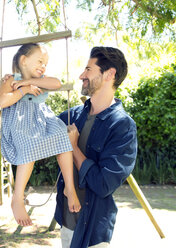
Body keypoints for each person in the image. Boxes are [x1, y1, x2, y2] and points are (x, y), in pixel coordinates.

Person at [54, 47, 138, 248]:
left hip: (94, 233)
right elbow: (38, 133)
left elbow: (103, 184)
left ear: (109, 74)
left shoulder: (123, 126)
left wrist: (73, 147)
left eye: (88, 70)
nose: (82, 75)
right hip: (66, 223)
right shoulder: (72, 116)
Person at [0, 43, 81, 227]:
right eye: (40, 61)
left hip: (41, 121)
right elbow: (3, 101)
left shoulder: (41, 80)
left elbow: (56, 83)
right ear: (24, 60)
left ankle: (69, 186)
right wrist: (23, 89)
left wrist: (30, 82)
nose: (43, 66)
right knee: (28, 145)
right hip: (20, 124)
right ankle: (18, 198)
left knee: (62, 135)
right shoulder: (10, 79)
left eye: (46, 63)